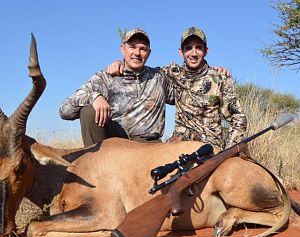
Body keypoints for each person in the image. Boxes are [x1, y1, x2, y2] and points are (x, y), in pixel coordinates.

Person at [107, 27, 247, 149]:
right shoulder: (172, 73)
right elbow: (142, 70)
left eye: (198, 47)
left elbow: (238, 118)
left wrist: (228, 151)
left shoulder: (220, 79)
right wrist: (121, 63)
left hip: (209, 148)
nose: (193, 53)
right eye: (188, 48)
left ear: (206, 51)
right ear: (181, 52)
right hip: (177, 146)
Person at [59, 28, 175, 146]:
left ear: (149, 53)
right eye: (132, 47)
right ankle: (97, 162)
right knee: (88, 111)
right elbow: (64, 110)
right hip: (115, 143)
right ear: (122, 49)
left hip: (150, 145)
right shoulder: (105, 77)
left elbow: (183, 94)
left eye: (143, 49)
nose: (137, 53)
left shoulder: (159, 77)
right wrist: (94, 97)